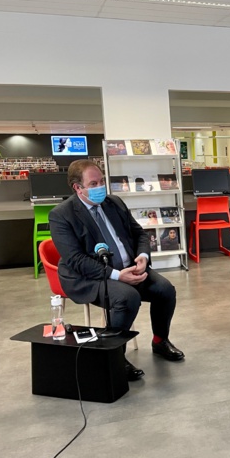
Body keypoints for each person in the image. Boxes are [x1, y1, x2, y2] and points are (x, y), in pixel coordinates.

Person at [49, 160, 185, 382]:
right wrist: (116, 275)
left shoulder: (115, 203)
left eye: (102, 181)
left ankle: (160, 341)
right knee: (127, 297)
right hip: (89, 276)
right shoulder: (62, 215)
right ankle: (115, 356)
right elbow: (76, 259)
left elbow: (139, 233)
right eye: (93, 183)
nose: (100, 187)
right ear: (77, 187)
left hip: (129, 267)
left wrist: (142, 256)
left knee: (165, 289)